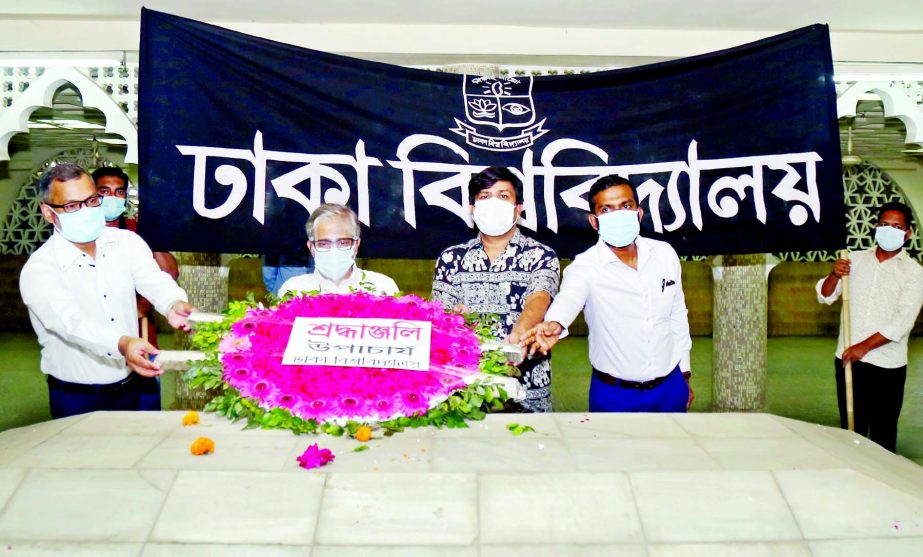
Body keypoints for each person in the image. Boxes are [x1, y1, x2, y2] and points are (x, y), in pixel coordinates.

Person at [20, 163, 196, 419]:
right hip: (77, 398)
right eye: (71, 206)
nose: (86, 211)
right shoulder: (40, 269)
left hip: (133, 386)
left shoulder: (126, 243)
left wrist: (173, 304)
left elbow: (154, 280)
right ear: (48, 213)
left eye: (92, 200)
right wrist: (123, 343)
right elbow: (71, 323)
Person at [522, 174, 693, 413]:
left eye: (625, 206)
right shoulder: (585, 266)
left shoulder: (664, 254)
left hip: (671, 387)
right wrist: (555, 323)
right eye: (607, 209)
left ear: (639, 212)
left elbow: (677, 314)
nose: (618, 214)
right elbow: (569, 297)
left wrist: (685, 372)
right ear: (594, 221)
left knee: (674, 449)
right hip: (614, 395)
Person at [432, 167, 560, 412]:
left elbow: (540, 297)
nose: (493, 203)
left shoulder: (541, 255)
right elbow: (439, 318)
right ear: (472, 209)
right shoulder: (451, 258)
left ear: (518, 208)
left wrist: (520, 331)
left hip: (528, 389)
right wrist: (452, 319)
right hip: (465, 391)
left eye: (503, 196)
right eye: (484, 196)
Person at [816, 201, 923, 452]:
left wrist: (862, 348)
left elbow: (901, 323)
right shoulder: (853, 261)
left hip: (887, 365)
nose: (889, 230)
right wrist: (834, 275)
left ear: (908, 234)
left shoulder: (914, 273)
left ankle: (883, 481)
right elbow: (824, 295)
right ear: (875, 227)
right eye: (884, 224)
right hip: (847, 361)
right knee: (852, 429)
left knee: (883, 434)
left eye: (897, 226)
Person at [93, 165, 180, 347]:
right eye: (104, 191)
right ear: (92, 196)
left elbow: (170, 273)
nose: (112, 198)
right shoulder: (84, 235)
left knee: (143, 371)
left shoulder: (137, 230)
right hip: (96, 328)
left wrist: (151, 230)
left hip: (138, 328)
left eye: (119, 192)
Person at [278, 203, 399, 296]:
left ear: (356, 245)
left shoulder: (383, 288)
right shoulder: (293, 290)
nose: (334, 251)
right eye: (324, 244)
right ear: (311, 247)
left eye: (342, 243)